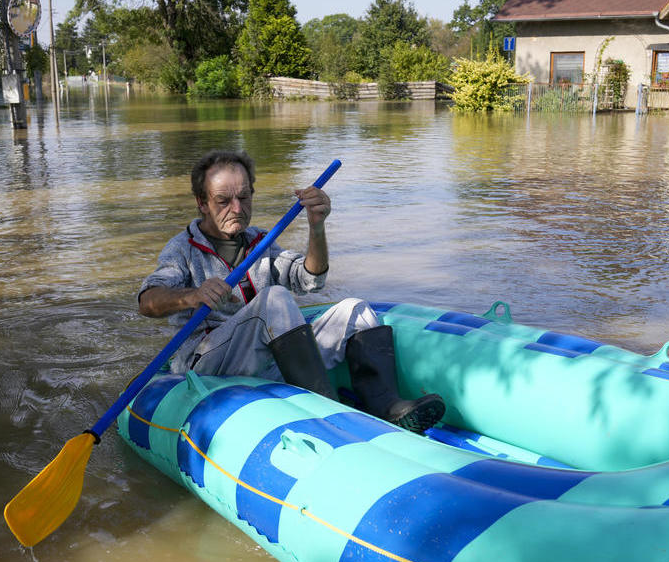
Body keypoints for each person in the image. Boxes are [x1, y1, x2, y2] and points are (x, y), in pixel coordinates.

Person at [137, 149, 444, 433]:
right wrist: (190, 295)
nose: (238, 208)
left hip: (266, 357)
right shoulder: (182, 248)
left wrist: (317, 226)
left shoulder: (261, 241)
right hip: (208, 364)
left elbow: (310, 279)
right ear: (202, 203)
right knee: (275, 300)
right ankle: (329, 414)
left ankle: (388, 406)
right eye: (223, 201)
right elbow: (147, 301)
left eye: (244, 197)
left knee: (355, 310)